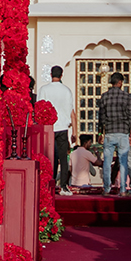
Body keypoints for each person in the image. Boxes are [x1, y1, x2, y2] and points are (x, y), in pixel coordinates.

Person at [37, 65, 74, 193]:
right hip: (63, 126)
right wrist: (73, 129)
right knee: (63, 158)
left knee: (49, 157)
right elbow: (71, 111)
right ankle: (63, 185)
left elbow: (39, 108)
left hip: (48, 127)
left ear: (51, 74)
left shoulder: (44, 89)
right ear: (61, 75)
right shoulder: (67, 90)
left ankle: (49, 183)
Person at [96, 72, 131, 195]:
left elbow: (101, 117)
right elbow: (129, 116)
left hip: (110, 132)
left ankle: (107, 188)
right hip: (123, 132)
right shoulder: (126, 96)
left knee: (107, 161)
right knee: (123, 161)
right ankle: (123, 189)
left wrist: (100, 132)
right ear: (120, 82)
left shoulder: (105, 96)